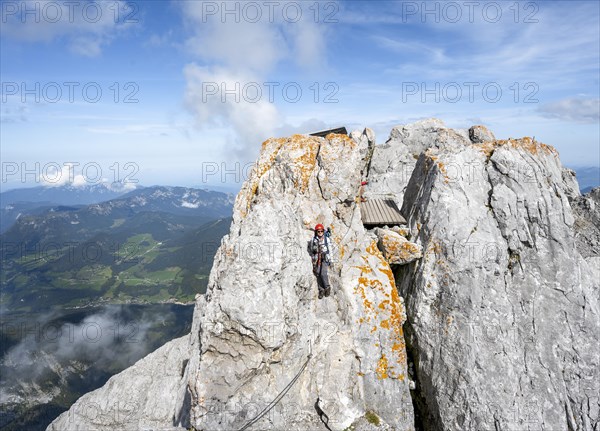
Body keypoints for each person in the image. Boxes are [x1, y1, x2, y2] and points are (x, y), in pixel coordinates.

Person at [309, 224, 332, 299]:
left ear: (323, 231)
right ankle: (321, 289)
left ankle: (327, 287)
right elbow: (312, 250)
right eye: (318, 231)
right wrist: (313, 258)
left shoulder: (326, 239)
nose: (320, 232)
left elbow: (330, 250)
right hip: (317, 258)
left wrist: (331, 260)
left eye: (321, 231)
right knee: (318, 273)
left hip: (324, 258)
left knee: (323, 273)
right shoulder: (314, 240)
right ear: (316, 232)